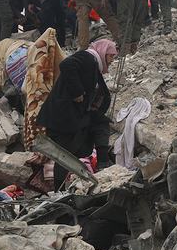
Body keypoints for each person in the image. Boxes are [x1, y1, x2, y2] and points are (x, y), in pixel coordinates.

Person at [37, 39, 118, 187]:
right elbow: (66, 64)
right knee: (64, 155)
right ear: (103, 51)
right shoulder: (87, 57)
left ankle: (103, 163)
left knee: (100, 123)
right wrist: (77, 91)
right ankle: (58, 189)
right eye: (111, 56)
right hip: (62, 118)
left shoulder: (94, 66)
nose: (112, 60)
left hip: (69, 118)